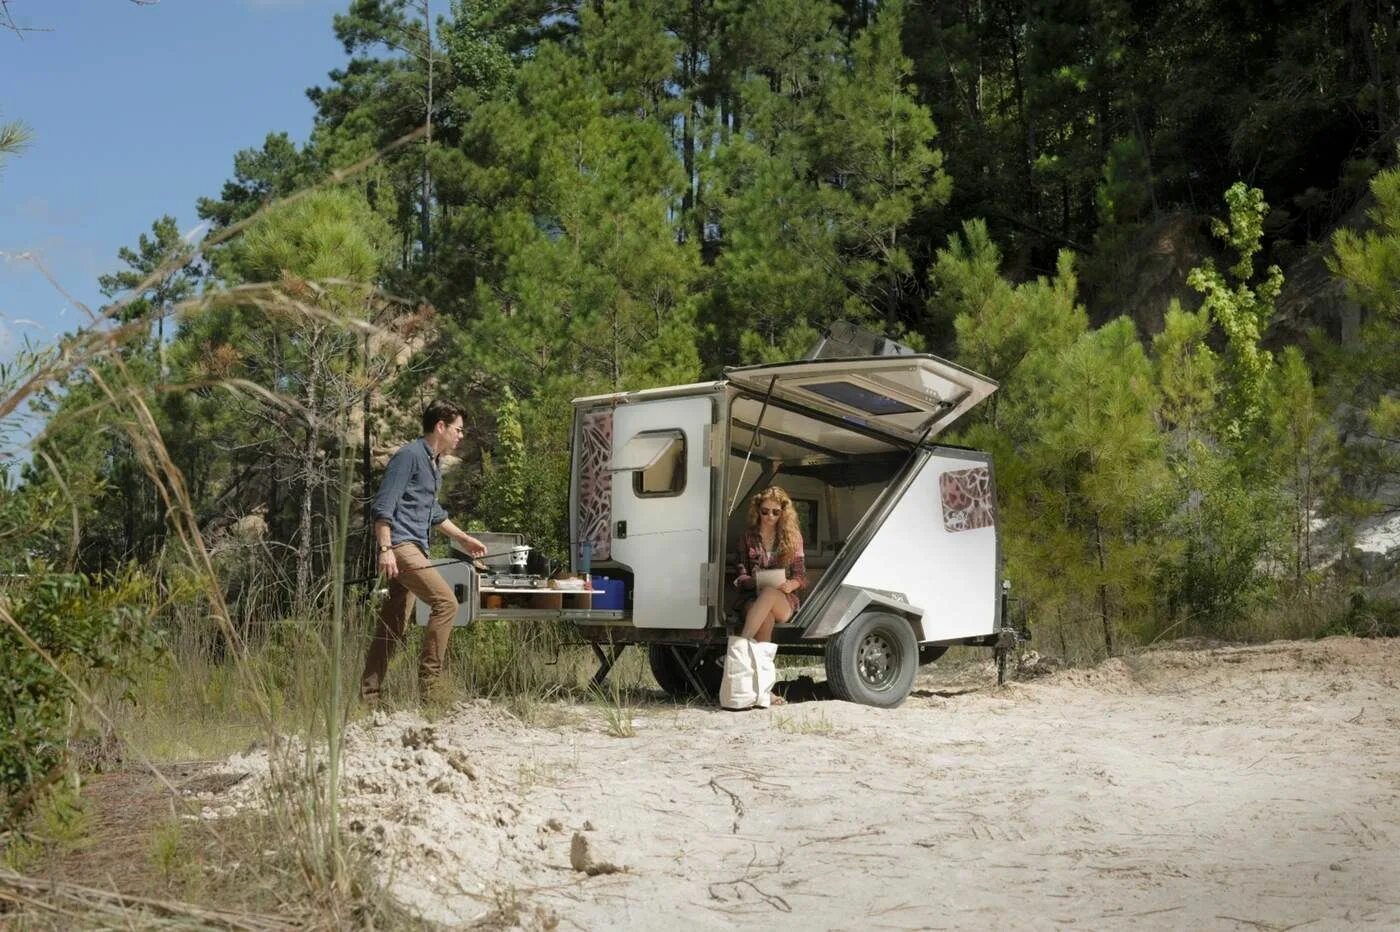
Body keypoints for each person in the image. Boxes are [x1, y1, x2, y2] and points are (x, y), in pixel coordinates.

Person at [360, 399, 487, 705]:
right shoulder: (409, 456)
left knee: (393, 624)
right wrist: (386, 548)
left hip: (415, 546)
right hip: (401, 546)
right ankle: (431, 691)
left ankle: (369, 698)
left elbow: (433, 513)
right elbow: (384, 505)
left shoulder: (432, 464)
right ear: (440, 427)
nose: (460, 436)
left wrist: (464, 539)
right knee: (446, 604)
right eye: (457, 430)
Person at [725, 486, 806, 707]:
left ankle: (740, 646)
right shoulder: (747, 537)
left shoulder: (792, 537)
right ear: (757, 510)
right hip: (752, 597)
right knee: (765, 617)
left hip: (784, 600)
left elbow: (801, 576)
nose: (770, 516)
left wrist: (790, 584)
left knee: (770, 594)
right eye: (765, 511)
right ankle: (764, 692)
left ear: (783, 513)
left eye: (775, 512)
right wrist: (755, 580)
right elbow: (739, 578)